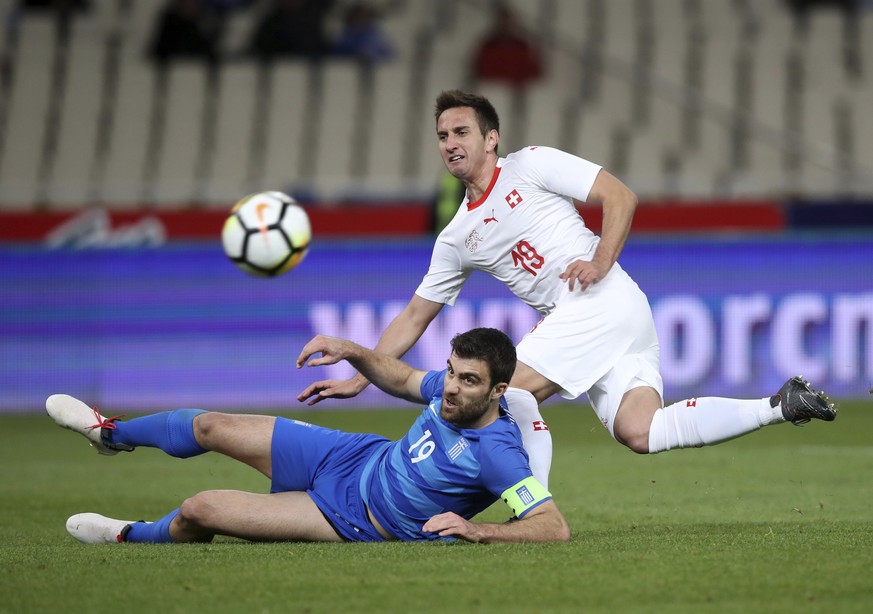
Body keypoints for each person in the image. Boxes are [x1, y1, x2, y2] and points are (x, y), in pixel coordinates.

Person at [298, 89, 838, 489]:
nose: (450, 144)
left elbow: (619, 196)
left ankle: (533, 511)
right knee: (640, 431)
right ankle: (778, 405)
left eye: (461, 132)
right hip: (611, 316)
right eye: (442, 136)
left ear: (491, 138)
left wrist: (601, 258)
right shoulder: (457, 236)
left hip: (599, 301)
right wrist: (361, 373)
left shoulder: (531, 166)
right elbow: (416, 315)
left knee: (500, 394)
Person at [48, 328, 570, 545]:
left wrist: (481, 531)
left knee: (199, 509)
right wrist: (354, 352)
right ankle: (109, 433)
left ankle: (126, 534)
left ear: (500, 390)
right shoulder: (447, 390)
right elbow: (406, 379)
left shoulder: (498, 453)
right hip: (352, 456)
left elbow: (553, 526)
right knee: (210, 425)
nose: (451, 388)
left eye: (468, 380)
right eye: (452, 371)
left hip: (350, 519)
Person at [471, 3, 543, 89]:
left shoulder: (521, 46)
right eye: (502, 21)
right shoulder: (489, 45)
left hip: (516, 92)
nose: (505, 25)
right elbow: (479, 70)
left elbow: (533, 72)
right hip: (491, 89)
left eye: (508, 21)